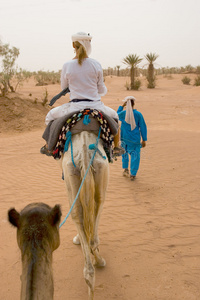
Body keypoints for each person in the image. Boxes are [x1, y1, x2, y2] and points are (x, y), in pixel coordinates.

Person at [41, 31, 123, 156]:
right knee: (116, 118)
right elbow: (101, 89)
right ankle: (117, 147)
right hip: (96, 106)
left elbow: (64, 87)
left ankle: (49, 146)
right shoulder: (96, 64)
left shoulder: (67, 65)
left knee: (50, 117)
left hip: (74, 107)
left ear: (73, 46)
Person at [117, 96, 147, 180]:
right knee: (135, 156)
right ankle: (133, 174)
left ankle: (125, 169)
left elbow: (116, 115)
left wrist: (121, 106)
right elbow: (143, 126)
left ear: (126, 104)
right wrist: (144, 139)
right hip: (135, 139)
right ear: (134, 104)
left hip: (124, 138)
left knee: (124, 154)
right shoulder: (138, 114)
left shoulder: (123, 114)